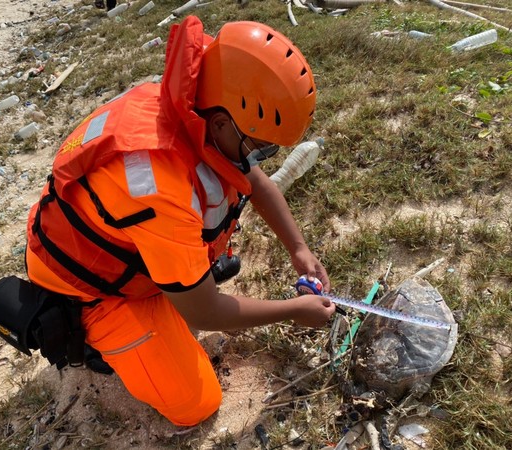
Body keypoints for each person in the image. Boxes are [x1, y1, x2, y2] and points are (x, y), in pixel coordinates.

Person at [25, 15, 335, 427]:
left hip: (134, 246)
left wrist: (299, 248)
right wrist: (293, 310)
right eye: (262, 147)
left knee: (189, 278)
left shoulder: (195, 102)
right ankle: (99, 341)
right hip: (89, 288)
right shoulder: (156, 185)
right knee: (196, 403)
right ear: (223, 123)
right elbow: (205, 314)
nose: (261, 159)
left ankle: (175, 280)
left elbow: (254, 182)